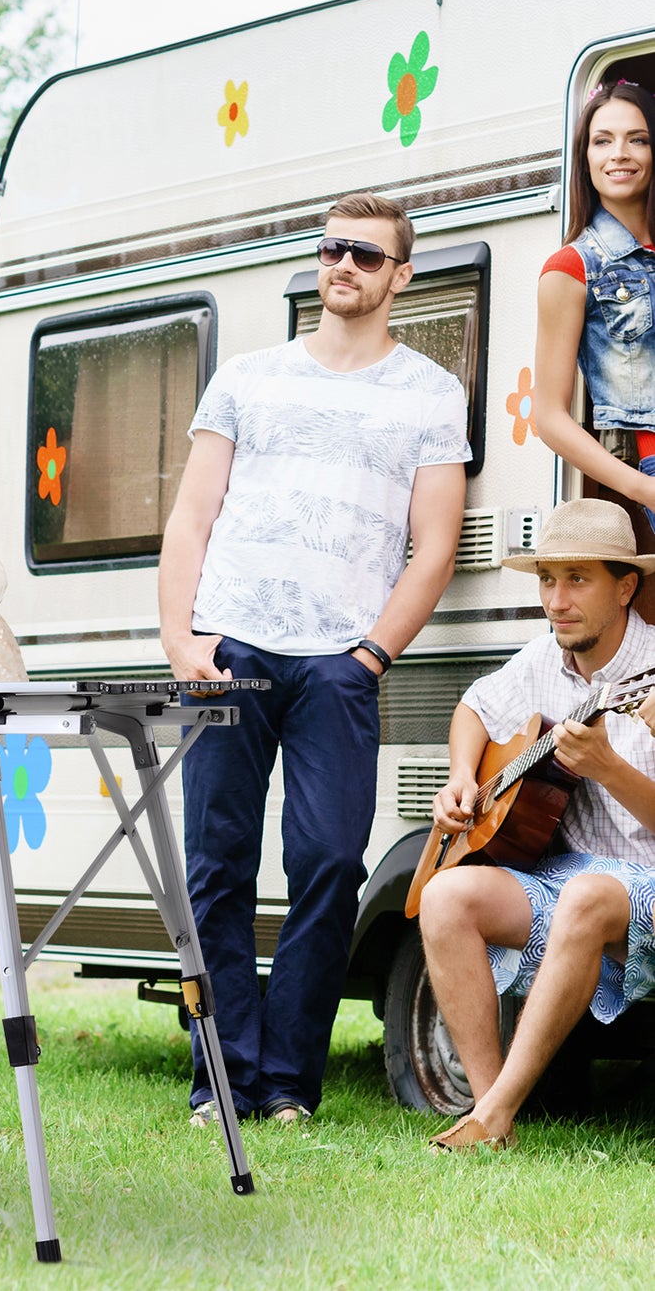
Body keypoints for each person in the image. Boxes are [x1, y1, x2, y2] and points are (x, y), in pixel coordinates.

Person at [159, 191, 470, 1126]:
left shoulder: (428, 392)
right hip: (232, 644)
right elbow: (191, 516)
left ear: (399, 277)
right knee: (215, 864)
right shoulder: (248, 378)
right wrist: (182, 637)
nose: (344, 266)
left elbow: (435, 545)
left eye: (366, 256)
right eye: (333, 250)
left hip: (339, 661)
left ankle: (287, 1079)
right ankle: (223, 1075)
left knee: (331, 862)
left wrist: (371, 652)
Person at [420, 498, 655, 1151]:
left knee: (585, 895)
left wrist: (608, 769)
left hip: (645, 888)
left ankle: (490, 1113)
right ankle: (492, 1118)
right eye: (546, 579)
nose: (555, 599)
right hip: (573, 881)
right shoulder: (541, 658)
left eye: (576, 578)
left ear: (625, 585)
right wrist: (462, 776)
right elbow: (472, 707)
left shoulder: (648, 671)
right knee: (442, 896)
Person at [533, 80, 655, 531]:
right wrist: (643, 489)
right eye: (603, 141)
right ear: (585, 159)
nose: (619, 153)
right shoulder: (571, 267)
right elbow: (549, 418)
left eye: (637, 139)